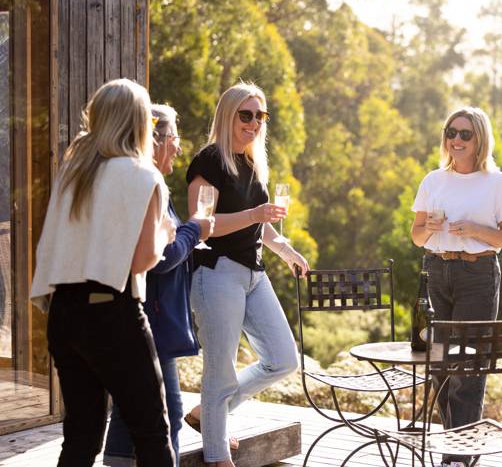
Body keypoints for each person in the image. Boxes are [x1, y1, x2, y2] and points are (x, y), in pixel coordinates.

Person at [30, 79, 176, 466]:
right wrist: (165, 233)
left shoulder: (73, 174)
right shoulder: (143, 177)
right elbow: (143, 260)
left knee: (80, 436)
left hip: (64, 313)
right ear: (140, 123)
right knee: (151, 433)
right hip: (112, 311)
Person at [183, 82, 309, 467]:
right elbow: (202, 224)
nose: (254, 122)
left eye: (261, 116)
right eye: (246, 114)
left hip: (254, 274)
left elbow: (261, 225)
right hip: (216, 272)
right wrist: (255, 216)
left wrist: (286, 251)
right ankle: (218, 455)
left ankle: (209, 416)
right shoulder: (208, 161)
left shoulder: (253, 164)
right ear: (228, 115)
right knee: (220, 369)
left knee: (284, 358)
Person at [103, 104, 214, 466]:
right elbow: (163, 259)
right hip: (149, 317)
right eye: (175, 139)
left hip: (139, 314)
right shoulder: (147, 186)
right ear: (157, 139)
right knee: (170, 408)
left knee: (125, 408)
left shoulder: (137, 182)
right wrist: (195, 228)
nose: (179, 149)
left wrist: (187, 233)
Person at [411, 106, 502, 467]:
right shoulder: (432, 180)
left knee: (468, 367)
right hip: (436, 270)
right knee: (438, 365)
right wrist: (428, 226)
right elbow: (416, 237)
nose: (455, 140)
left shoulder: (498, 183)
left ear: (480, 140)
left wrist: (474, 230)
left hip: (478, 275)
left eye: (465, 134)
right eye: (451, 132)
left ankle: (458, 458)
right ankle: (455, 447)